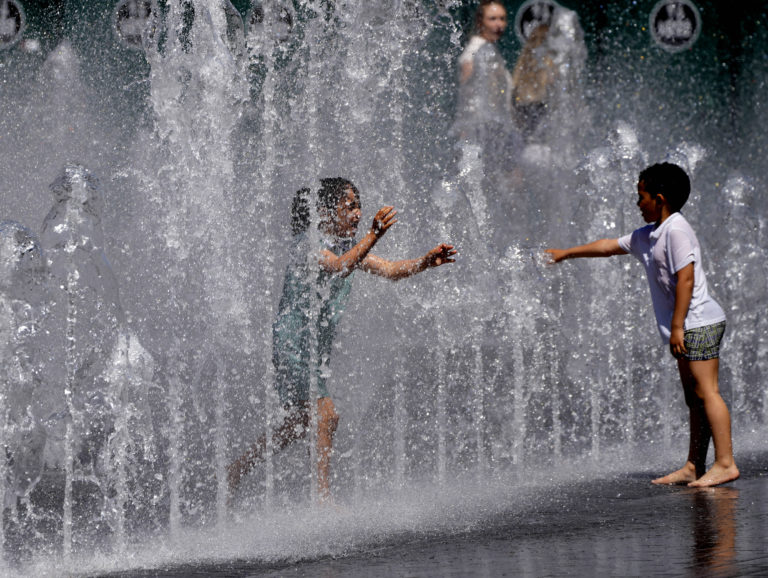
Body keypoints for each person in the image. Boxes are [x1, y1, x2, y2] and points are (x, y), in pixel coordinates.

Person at [228, 177, 457, 500]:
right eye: (348, 206)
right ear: (323, 213)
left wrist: (424, 262)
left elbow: (390, 270)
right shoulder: (306, 245)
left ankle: (236, 470)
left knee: (300, 423)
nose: (357, 212)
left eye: (358, 205)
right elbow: (338, 267)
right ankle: (321, 499)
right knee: (326, 415)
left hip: (312, 347)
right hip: (293, 344)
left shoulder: (349, 249)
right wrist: (373, 235)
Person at [545, 163, 739, 488]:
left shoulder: (676, 230)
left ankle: (725, 462)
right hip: (685, 328)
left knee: (708, 392)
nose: (637, 204)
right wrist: (566, 253)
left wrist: (677, 327)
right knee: (694, 398)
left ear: (659, 199)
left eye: (641, 197)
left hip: (698, 323)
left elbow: (687, 280)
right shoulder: (649, 235)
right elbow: (608, 246)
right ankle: (694, 465)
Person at [453, 0, 522, 159]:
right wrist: (467, 130)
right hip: (483, 131)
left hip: (496, 129)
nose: (499, 24)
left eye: (502, 18)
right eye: (492, 19)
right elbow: (467, 93)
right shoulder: (475, 51)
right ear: (480, 21)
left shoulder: (490, 50)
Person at [510, 24, 555, 142]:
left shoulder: (522, 63)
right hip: (540, 111)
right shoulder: (549, 64)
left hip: (522, 112)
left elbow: (513, 88)